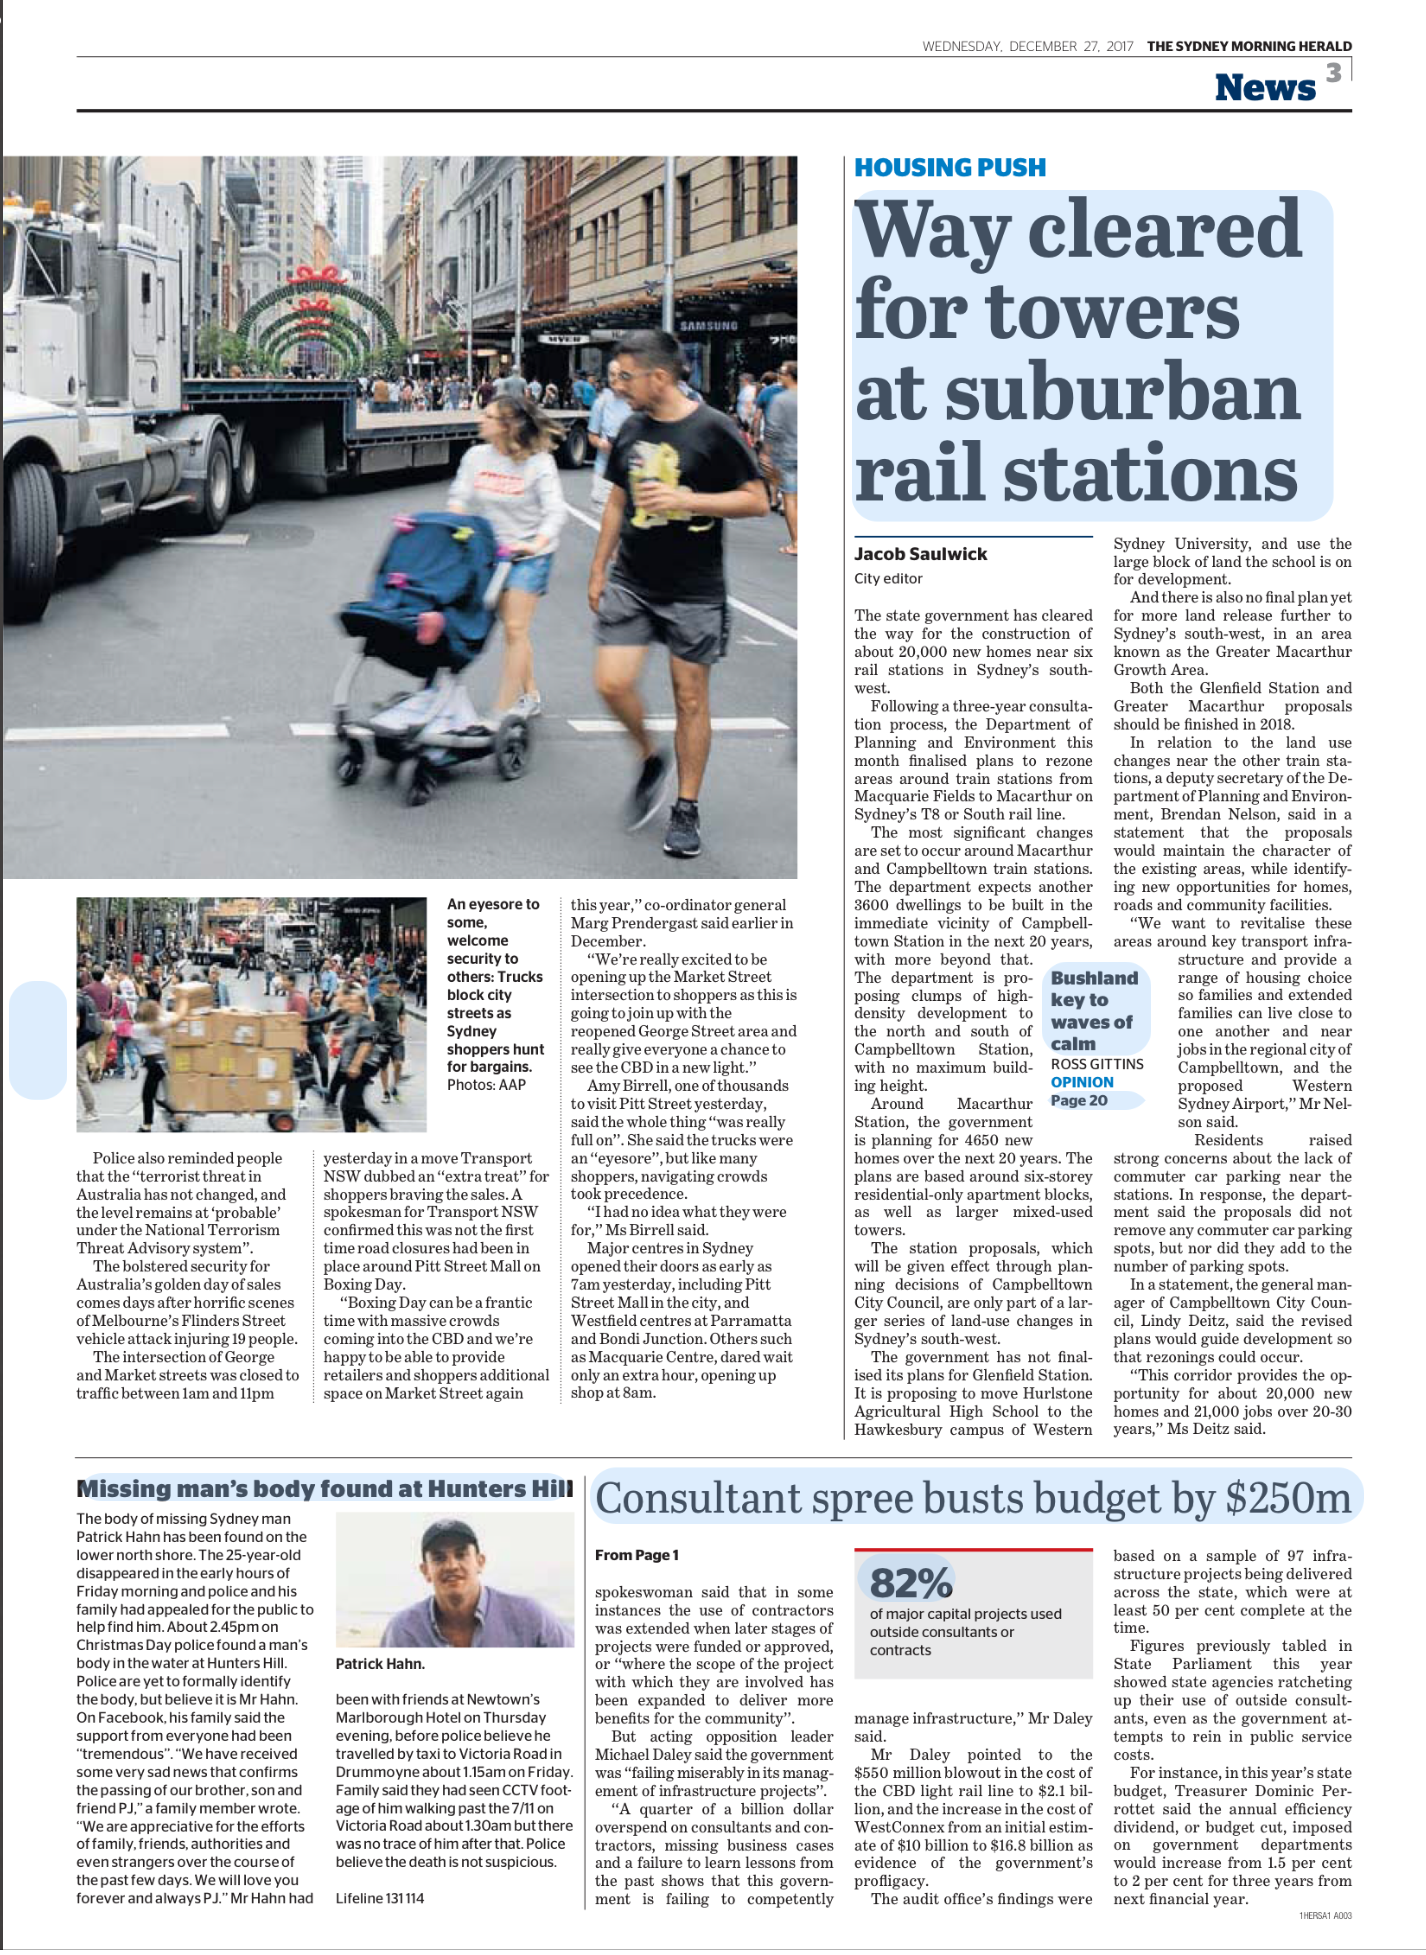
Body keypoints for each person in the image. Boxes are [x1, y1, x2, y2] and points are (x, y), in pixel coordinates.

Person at [588, 327, 769, 860]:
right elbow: (618, 501)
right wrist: (599, 568)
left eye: (625, 376)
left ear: (659, 376)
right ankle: (650, 755)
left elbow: (757, 501)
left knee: (689, 698)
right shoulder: (631, 429)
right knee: (611, 683)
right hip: (633, 581)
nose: (618, 386)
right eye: (615, 377)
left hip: (694, 588)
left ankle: (686, 807)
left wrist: (688, 498)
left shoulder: (714, 429)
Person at [447, 394, 568, 720]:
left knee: (514, 627)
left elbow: (555, 512)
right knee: (515, 631)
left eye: (487, 415)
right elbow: (459, 498)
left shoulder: (539, 462)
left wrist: (536, 543)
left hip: (529, 554)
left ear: (507, 426)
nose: (479, 420)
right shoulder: (475, 457)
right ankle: (531, 694)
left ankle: (501, 712)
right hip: (490, 553)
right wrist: (456, 526)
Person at [381, 1520, 573, 1649]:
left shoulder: (529, 1617)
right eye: (439, 1558)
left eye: (461, 1554)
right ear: (426, 1571)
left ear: (480, 1562)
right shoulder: (403, 1631)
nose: (451, 1565)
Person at [334, 984, 385, 1133]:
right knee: (348, 1106)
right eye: (349, 1001)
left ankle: (380, 1126)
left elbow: (366, 1044)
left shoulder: (365, 1022)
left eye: (354, 1001)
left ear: (363, 1006)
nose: (350, 1004)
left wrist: (355, 1065)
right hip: (354, 1068)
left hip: (363, 1068)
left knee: (351, 1105)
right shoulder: (353, 1021)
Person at [587, 356, 633, 514]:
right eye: (612, 374)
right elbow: (592, 435)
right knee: (606, 523)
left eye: (620, 374)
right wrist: (601, 444)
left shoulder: (637, 401)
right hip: (605, 473)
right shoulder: (601, 402)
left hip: (631, 475)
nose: (615, 379)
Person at [763, 361, 798, 555]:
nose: (779, 376)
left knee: (791, 498)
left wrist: (766, 453)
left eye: (782, 373)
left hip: (788, 454)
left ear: (790, 376)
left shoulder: (780, 399)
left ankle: (797, 542)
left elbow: (773, 430)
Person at [373, 972, 408, 1103]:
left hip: (396, 1038)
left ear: (398, 985)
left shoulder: (399, 1000)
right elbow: (372, 1016)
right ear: (384, 985)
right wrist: (374, 1032)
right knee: (383, 1066)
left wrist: (402, 1033)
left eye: (395, 983)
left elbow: (403, 1019)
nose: (393, 985)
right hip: (381, 1037)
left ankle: (395, 1086)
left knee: (398, 1063)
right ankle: (386, 1092)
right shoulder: (377, 999)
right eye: (390, 983)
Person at [81, 967, 115, 1082]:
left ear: (91, 975)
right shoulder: (108, 989)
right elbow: (110, 1005)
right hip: (106, 1021)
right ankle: (99, 1074)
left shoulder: (87, 989)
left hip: (91, 1021)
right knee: (102, 1050)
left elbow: (82, 1004)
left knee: (86, 1046)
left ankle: (93, 1064)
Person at [75, 992, 101, 1122]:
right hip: (87, 1039)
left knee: (80, 1077)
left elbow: (75, 1023)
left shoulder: (75, 1000)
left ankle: (91, 1111)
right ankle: (90, 1110)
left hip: (79, 1042)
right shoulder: (84, 997)